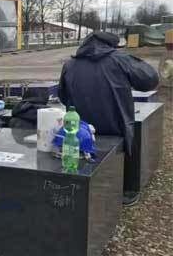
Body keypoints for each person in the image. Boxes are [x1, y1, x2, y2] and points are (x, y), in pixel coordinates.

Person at [58, 31, 159, 206]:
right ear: (111, 44)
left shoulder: (70, 64)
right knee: (127, 147)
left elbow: (62, 95)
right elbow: (150, 80)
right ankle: (127, 191)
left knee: (82, 154)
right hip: (116, 125)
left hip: (82, 127)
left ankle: (83, 190)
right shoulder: (120, 59)